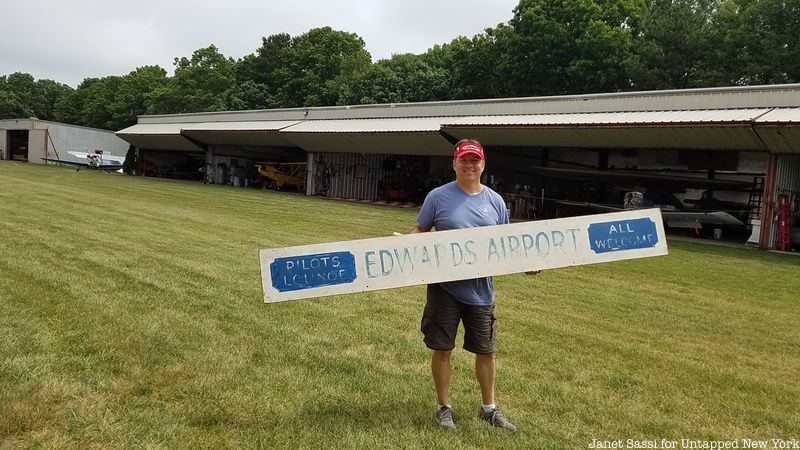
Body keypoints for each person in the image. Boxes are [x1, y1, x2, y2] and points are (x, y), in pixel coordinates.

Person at [410, 139, 532, 432]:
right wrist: (408, 243)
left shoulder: (496, 202)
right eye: (463, 160)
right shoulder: (437, 197)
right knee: (442, 348)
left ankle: (489, 408)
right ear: (454, 163)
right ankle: (443, 407)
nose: (469, 165)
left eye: (474, 160)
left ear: (483, 165)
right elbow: (421, 229)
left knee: (486, 350)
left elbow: (507, 245)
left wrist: (527, 261)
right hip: (445, 289)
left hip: (481, 291)